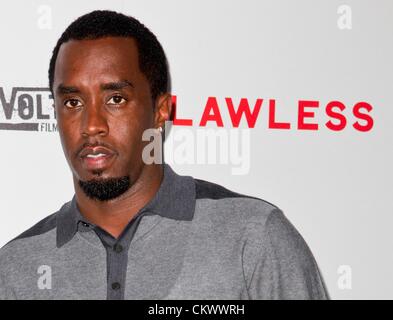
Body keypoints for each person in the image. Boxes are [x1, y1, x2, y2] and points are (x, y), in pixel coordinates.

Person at [0, 10, 328, 300]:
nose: (92, 126)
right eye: (73, 102)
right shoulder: (15, 267)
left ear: (161, 111)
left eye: (115, 99)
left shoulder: (253, 238)